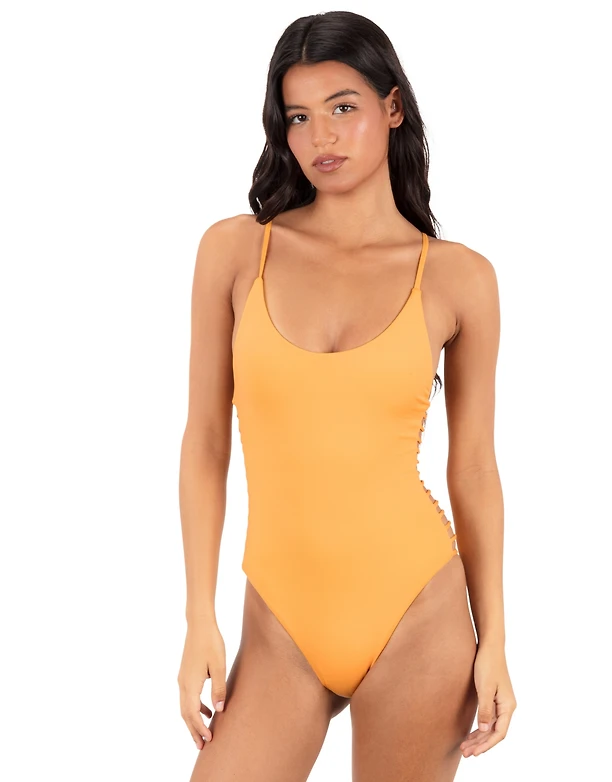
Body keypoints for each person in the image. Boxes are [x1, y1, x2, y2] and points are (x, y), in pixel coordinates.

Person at [177, 10, 516, 781]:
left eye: (342, 107)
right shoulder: (237, 250)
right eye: (298, 116)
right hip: (279, 624)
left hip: (418, 616)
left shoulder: (459, 277)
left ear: (393, 107)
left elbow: (474, 468)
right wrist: (199, 615)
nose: (320, 136)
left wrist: (494, 638)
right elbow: (205, 439)